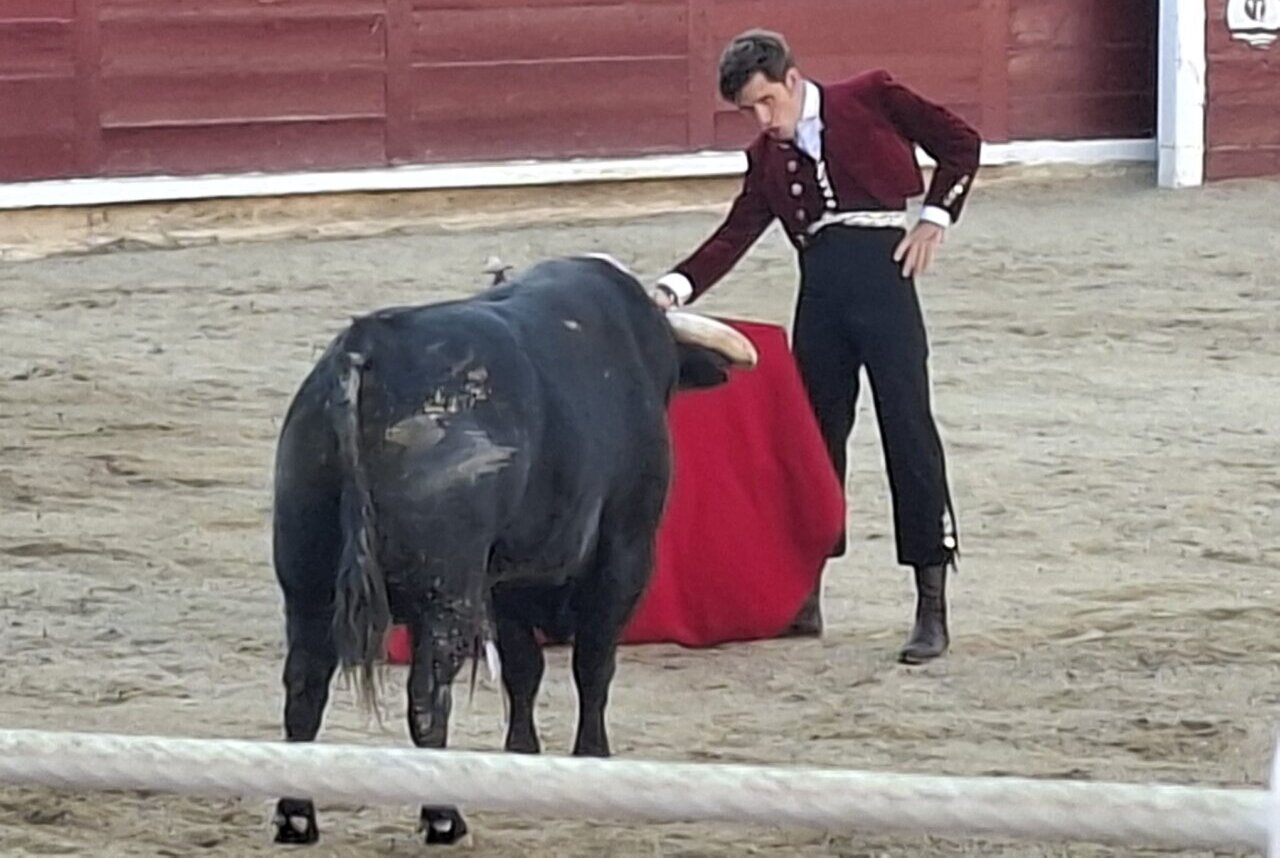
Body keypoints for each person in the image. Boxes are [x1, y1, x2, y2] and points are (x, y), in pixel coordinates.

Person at [651, 29, 979, 664]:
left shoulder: (872, 96)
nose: (762, 120)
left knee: (907, 432)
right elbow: (734, 234)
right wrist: (672, 288)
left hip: (885, 284)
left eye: (767, 102)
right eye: (749, 110)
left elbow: (962, 145)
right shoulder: (766, 160)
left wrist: (936, 217)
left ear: (793, 80)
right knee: (817, 442)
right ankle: (806, 596)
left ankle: (930, 606)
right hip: (821, 299)